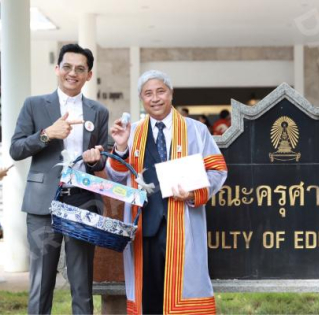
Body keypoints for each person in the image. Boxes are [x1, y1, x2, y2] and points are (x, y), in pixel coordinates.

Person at [84, 70, 228, 314]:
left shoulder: (196, 131)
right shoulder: (133, 131)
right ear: (141, 98)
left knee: (181, 295)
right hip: (143, 227)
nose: (155, 98)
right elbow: (117, 176)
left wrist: (194, 194)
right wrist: (120, 147)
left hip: (182, 225)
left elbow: (217, 171)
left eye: (160, 91)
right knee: (148, 298)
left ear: (171, 94)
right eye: (148, 93)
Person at [10, 43, 109, 315]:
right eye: (67, 67)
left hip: (82, 202)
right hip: (42, 203)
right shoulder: (34, 105)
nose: (72, 73)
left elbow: (104, 154)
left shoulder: (98, 111)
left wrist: (95, 158)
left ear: (89, 75)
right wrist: (46, 134)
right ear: (57, 69)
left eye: (80, 69)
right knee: (41, 282)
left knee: (81, 281)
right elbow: (16, 149)